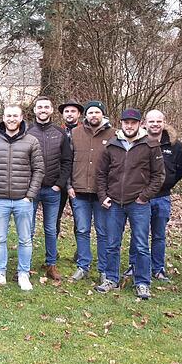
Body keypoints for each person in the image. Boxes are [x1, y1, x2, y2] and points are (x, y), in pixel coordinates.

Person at [94, 109, 165, 300]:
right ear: (121, 123)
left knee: (141, 244)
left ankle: (142, 283)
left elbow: (159, 176)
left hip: (139, 203)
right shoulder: (111, 145)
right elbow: (101, 174)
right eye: (126, 122)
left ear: (139, 123)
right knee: (112, 244)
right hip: (115, 203)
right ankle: (110, 279)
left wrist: (144, 196)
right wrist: (103, 196)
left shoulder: (150, 145)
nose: (129, 126)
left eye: (133, 122)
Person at [0, 105, 44, 291]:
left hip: (23, 200)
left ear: (22, 117)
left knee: (25, 239)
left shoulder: (31, 141)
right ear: (3, 118)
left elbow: (39, 170)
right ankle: (0, 273)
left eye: (15, 115)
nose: (12, 119)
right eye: (8, 115)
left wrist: (30, 195)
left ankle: (23, 274)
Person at [124, 110, 182, 282]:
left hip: (162, 197)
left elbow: (181, 168)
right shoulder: (138, 143)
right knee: (138, 233)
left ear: (164, 122)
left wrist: (169, 182)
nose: (155, 124)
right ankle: (134, 265)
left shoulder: (175, 145)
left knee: (158, 235)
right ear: (145, 123)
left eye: (159, 121)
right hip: (140, 197)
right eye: (152, 121)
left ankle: (158, 268)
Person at [68, 101, 115, 282]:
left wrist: (110, 191)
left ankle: (103, 269)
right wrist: (69, 185)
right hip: (79, 192)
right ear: (85, 115)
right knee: (82, 230)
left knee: (103, 231)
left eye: (97, 112)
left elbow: (116, 164)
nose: (94, 115)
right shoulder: (75, 133)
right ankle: (83, 266)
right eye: (90, 112)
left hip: (102, 193)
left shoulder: (113, 135)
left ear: (103, 115)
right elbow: (68, 160)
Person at [26, 97, 72, 281]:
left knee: (51, 229)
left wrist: (59, 185)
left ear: (51, 110)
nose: (43, 110)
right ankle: (25, 265)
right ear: (35, 110)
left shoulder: (60, 133)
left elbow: (67, 161)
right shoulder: (27, 132)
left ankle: (51, 264)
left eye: (46, 107)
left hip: (53, 190)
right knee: (27, 229)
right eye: (39, 107)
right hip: (32, 190)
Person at [56, 100, 83, 258]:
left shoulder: (84, 132)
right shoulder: (57, 132)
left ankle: (80, 252)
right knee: (54, 218)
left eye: (73, 111)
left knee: (80, 219)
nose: (70, 114)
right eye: (67, 111)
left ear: (79, 114)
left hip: (78, 182)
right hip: (59, 181)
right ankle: (53, 251)